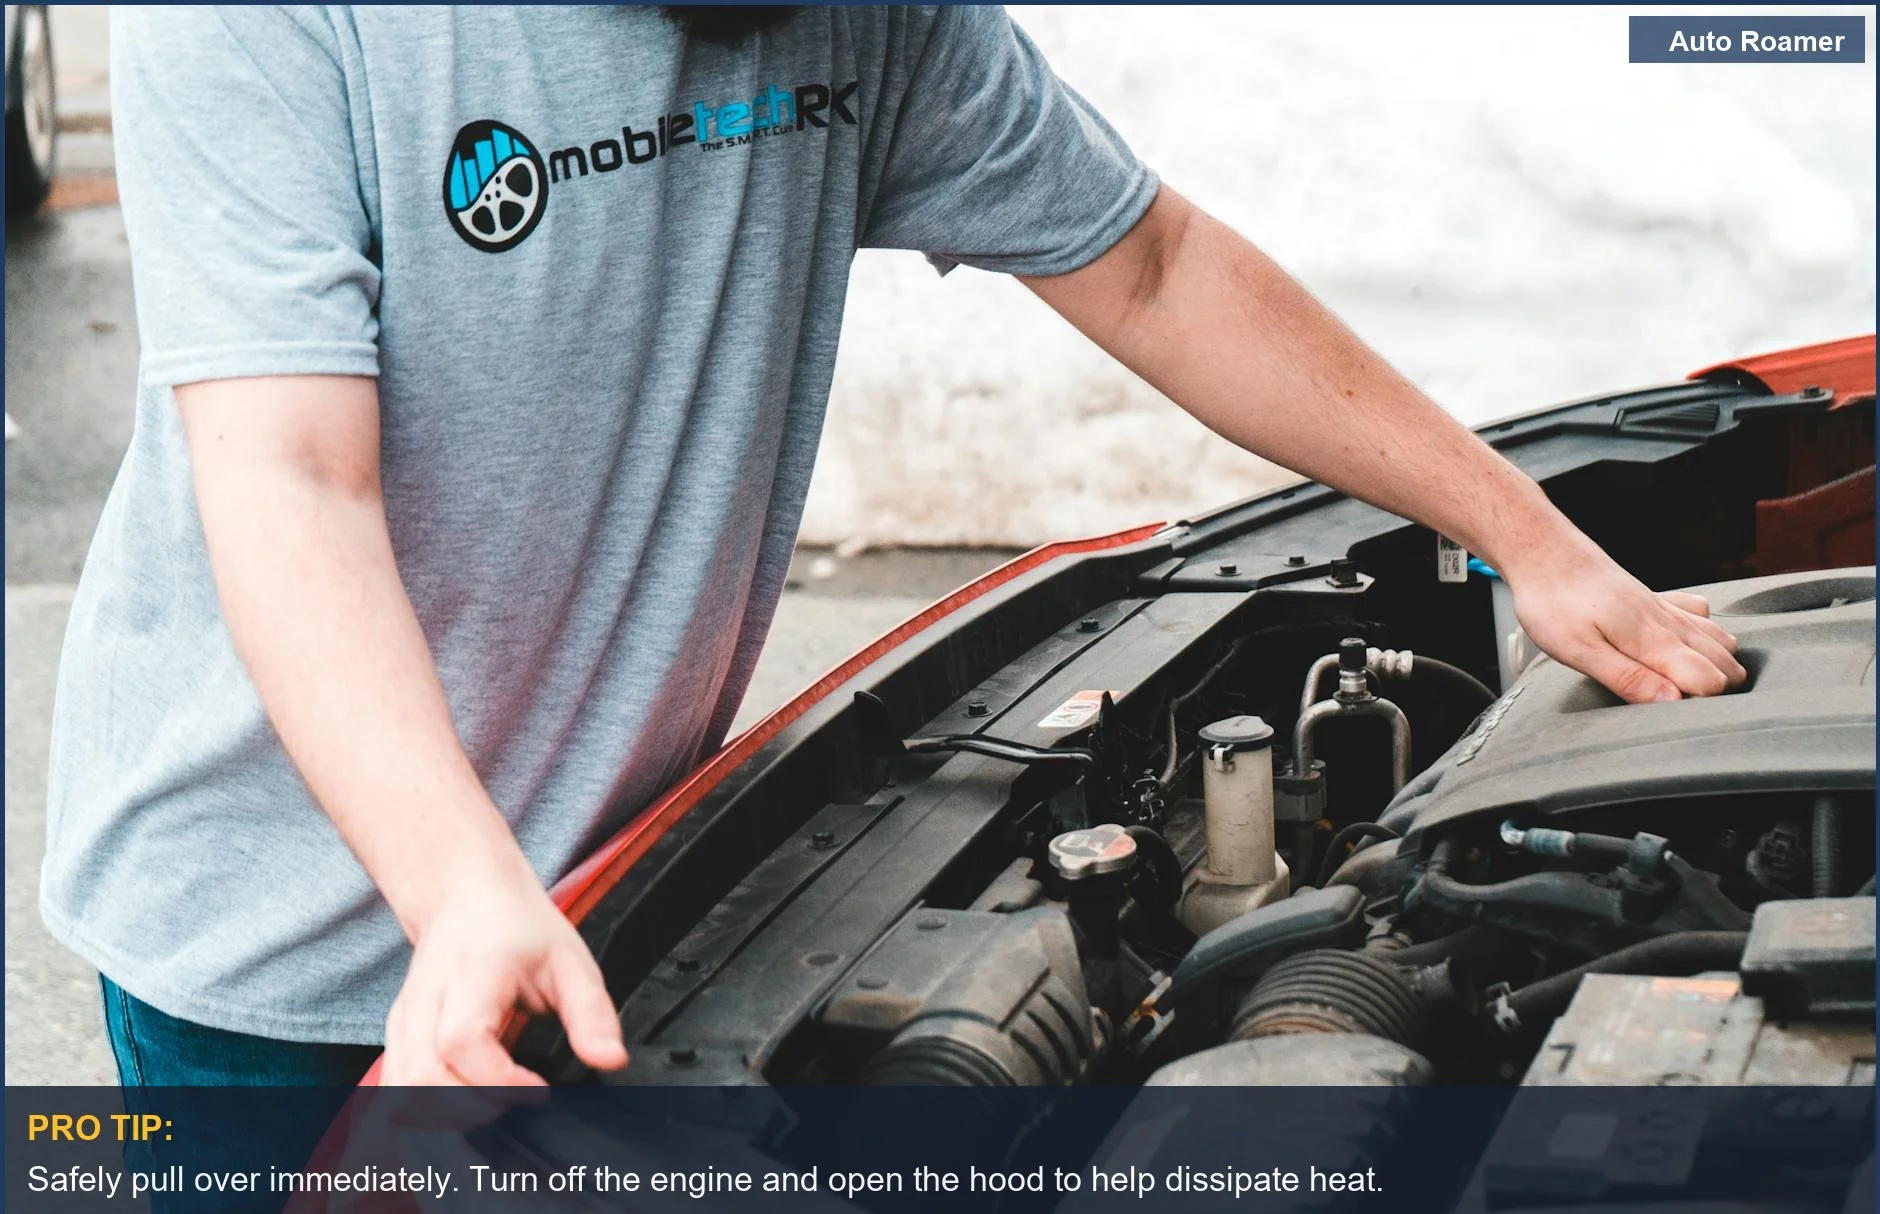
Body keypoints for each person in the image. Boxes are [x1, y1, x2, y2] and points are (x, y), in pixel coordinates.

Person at [48, 0, 1743, 1126]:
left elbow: (1146, 265)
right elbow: (290, 473)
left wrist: (1525, 535)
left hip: (633, 876)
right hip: (290, 938)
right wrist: (461, 890)